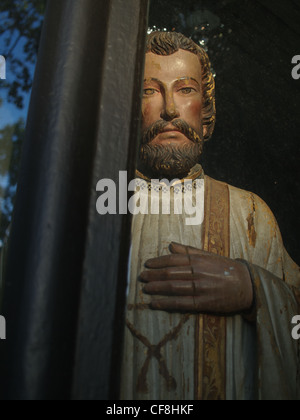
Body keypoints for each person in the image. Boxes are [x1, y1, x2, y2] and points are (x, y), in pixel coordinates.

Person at [120, 31, 300, 400]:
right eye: (149, 90)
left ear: (205, 113)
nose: (170, 108)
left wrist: (254, 290)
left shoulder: (250, 213)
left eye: (185, 89)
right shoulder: (90, 210)